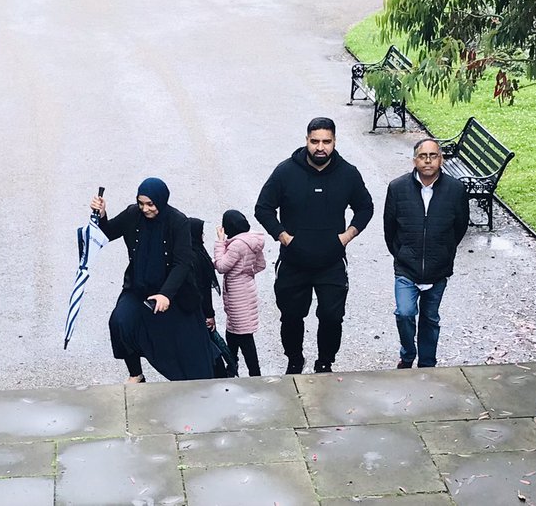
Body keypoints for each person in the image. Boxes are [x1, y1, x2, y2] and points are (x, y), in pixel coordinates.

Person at [255, 117, 374, 374]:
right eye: (315, 141)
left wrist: (346, 236)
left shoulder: (348, 173)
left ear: (334, 142)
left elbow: (365, 207)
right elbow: (263, 208)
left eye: (326, 141)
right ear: (307, 140)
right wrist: (283, 236)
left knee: (332, 317)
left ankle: (325, 362)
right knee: (291, 316)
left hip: (331, 262)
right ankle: (294, 359)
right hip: (293, 261)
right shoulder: (286, 171)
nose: (320, 147)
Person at [92, 179, 214, 382]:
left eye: (150, 204)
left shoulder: (178, 221)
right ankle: (136, 374)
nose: (145, 209)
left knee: (186, 347)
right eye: (141, 203)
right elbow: (107, 233)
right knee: (119, 322)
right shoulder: (133, 214)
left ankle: (195, 383)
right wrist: (102, 215)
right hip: (138, 289)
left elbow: (182, 263)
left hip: (172, 292)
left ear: (161, 200)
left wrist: (166, 294)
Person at [382, 137, 470, 368]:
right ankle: (408, 354)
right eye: (423, 156)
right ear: (414, 160)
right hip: (406, 268)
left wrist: (444, 252)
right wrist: (402, 254)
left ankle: (427, 364)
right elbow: (389, 228)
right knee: (404, 313)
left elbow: (460, 226)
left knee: (430, 318)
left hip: (437, 268)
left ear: (441, 159)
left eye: (433, 156)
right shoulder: (397, 188)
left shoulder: (456, 190)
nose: (428, 161)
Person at [213, 209, 266, 376]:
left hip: (237, 293)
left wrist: (220, 243)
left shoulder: (237, 245)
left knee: (243, 334)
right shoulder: (252, 241)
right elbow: (260, 265)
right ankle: (232, 365)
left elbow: (221, 266)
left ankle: (253, 372)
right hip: (247, 288)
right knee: (234, 329)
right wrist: (246, 272)